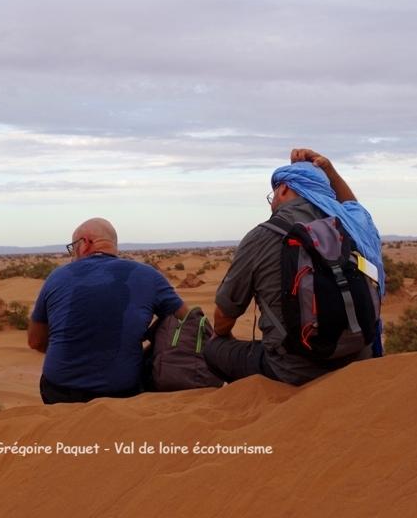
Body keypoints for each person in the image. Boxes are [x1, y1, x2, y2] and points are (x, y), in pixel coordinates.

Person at [204, 147, 384, 386]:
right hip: (359, 358)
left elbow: (225, 316)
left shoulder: (262, 236)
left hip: (293, 371)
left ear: (284, 188)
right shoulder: (351, 226)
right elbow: (352, 205)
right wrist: (329, 171)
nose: (272, 202)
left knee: (213, 348)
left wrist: (222, 337)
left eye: (273, 195)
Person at [27, 217, 189, 404]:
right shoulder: (148, 275)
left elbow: (35, 341)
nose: (72, 255)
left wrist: (72, 348)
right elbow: (189, 320)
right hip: (123, 392)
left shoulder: (57, 276)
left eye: (73, 247)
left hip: (59, 392)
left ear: (85, 243)